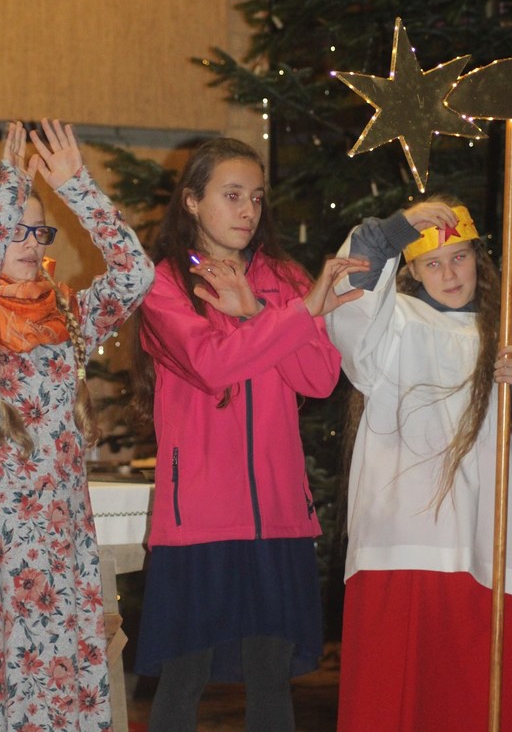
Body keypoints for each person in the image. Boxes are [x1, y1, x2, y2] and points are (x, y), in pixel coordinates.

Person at [0, 119, 154, 731]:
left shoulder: (69, 313)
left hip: (55, 538)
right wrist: (8, 187)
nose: (28, 241)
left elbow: (136, 276)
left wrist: (77, 188)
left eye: (36, 230)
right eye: (11, 228)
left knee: (52, 692)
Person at [131, 136, 367, 732]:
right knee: (183, 680)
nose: (248, 211)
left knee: (271, 682)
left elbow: (318, 378)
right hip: (200, 518)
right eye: (232, 195)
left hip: (279, 517)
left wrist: (263, 311)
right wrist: (298, 314)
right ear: (191, 201)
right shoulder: (164, 283)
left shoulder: (286, 278)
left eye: (257, 198)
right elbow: (213, 365)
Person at [325, 196, 512, 732]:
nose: (449, 273)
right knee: (396, 706)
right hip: (401, 547)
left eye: (459, 257)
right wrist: (398, 228)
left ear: (478, 260)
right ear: (412, 270)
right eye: (433, 262)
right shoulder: (391, 325)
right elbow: (350, 299)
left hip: (494, 552)